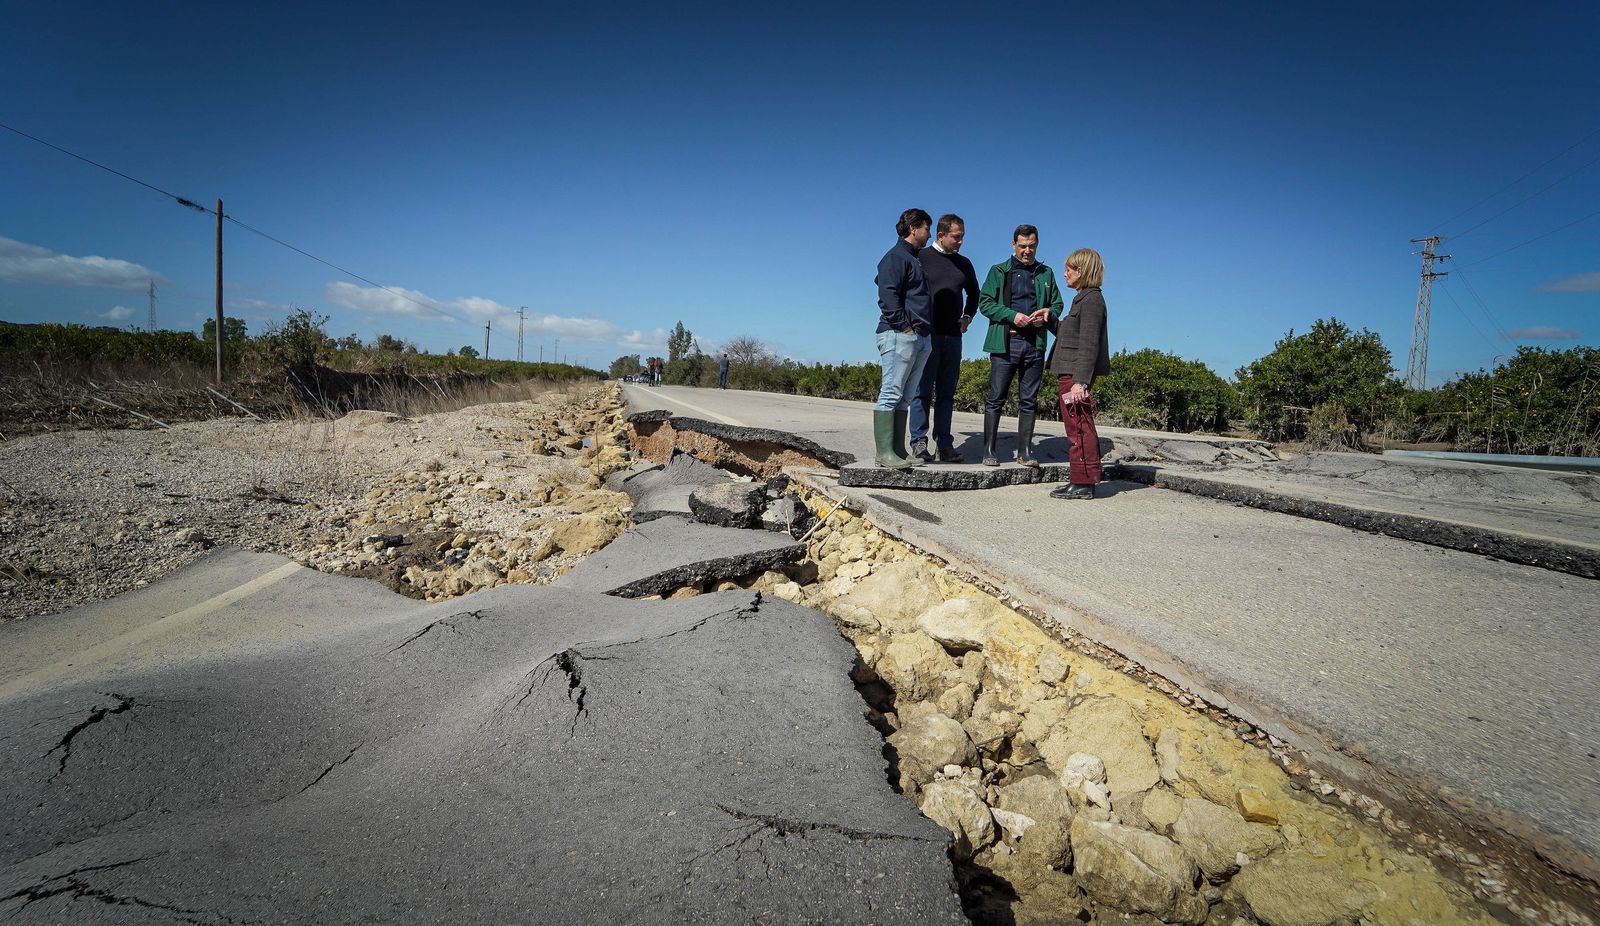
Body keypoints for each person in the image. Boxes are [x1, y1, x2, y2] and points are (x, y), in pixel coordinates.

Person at [975, 224, 1063, 467]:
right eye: (1022, 246)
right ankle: (989, 452)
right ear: (1013, 245)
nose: (1027, 251)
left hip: (1034, 345)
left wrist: (1046, 314)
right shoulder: (998, 271)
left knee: (1029, 400)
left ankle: (1025, 452)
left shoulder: (1046, 273)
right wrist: (1012, 315)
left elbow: (1057, 304)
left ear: (1037, 245)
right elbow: (985, 303)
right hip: (1006, 343)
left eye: (1031, 246)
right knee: (995, 398)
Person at [910, 214, 979, 463]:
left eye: (962, 237)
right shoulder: (921, 257)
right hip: (927, 335)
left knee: (947, 393)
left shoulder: (964, 263)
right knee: (922, 391)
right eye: (956, 237)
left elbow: (975, 294)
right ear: (941, 235)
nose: (961, 242)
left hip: (953, 337)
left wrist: (968, 317)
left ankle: (945, 444)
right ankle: (919, 442)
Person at [872, 208, 934, 468]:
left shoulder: (914, 258)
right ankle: (884, 454)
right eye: (927, 229)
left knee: (905, 396)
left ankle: (897, 451)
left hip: (920, 336)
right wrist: (905, 327)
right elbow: (887, 296)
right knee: (891, 392)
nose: (929, 234)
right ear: (914, 229)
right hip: (899, 334)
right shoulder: (895, 257)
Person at [1047, 247, 1111, 499]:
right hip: (1070, 372)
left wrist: (1081, 381)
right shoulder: (1083, 298)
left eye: (1069, 269)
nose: (1065, 274)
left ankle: (1084, 483)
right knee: (1076, 425)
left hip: (1075, 375)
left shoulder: (1092, 299)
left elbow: (1089, 344)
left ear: (1081, 271)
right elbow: (1069, 335)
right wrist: (1051, 319)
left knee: (1080, 425)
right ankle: (1080, 479)